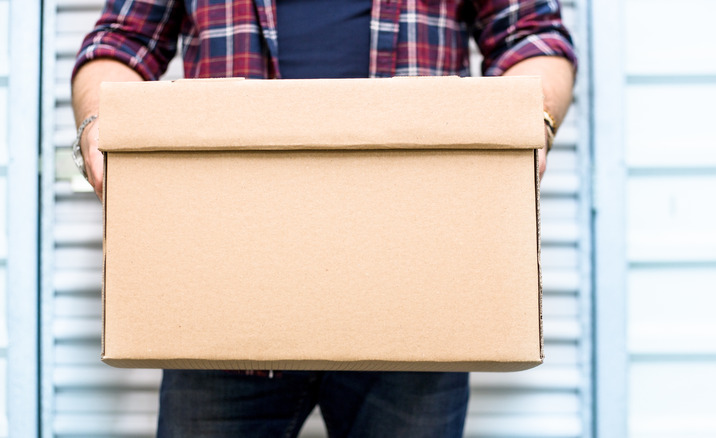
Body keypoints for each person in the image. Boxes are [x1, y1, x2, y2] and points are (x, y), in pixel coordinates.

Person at [71, 1, 576, 436]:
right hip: (224, 305)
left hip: (417, 310)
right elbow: (121, 41)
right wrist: (99, 124)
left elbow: (532, 36)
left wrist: (530, 122)